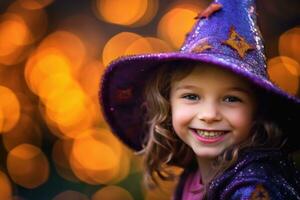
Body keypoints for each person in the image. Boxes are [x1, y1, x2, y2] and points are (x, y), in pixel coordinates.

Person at [99, 0, 300, 199]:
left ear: (257, 109)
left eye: (231, 99)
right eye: (191, 96)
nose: (209, 115)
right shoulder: (192, 178)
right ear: (168, 104)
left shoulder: (256, 188)